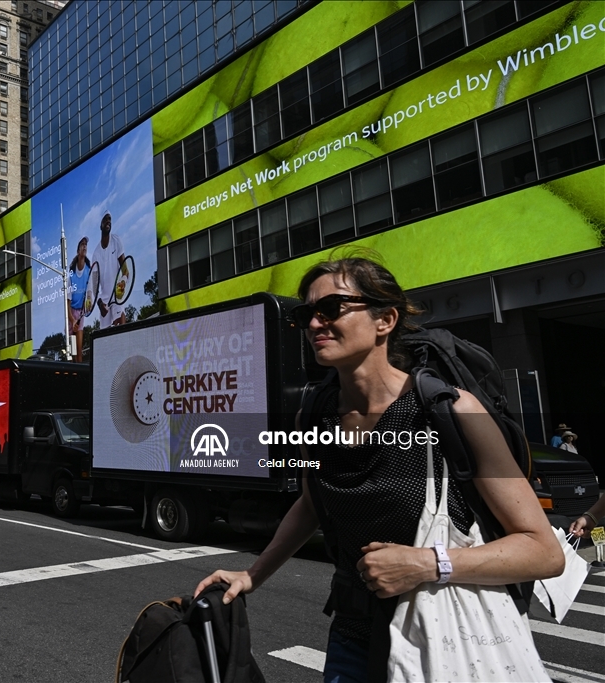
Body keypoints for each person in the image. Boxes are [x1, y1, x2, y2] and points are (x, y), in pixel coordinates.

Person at [195, 252, 564, 682]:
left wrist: (428, 563)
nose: (314, 324)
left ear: (384, 320)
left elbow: (543, 551)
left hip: (443, 636)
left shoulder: (451, 410)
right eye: (307, 313)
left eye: (330, 309)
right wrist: (252, 575)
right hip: (352, 639)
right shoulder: (313, 415)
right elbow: (311, 504)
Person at [90, 212, 126, 329]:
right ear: (100, 225)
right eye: (105, 219)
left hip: (117, 295)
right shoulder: (96, 254)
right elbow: (94, 286)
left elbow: (125, 270)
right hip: (104, 301)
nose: (108, 221)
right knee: (107, 342)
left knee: (120, 331)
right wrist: (100, 304)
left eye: (110, 219)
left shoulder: (116, 241)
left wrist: (123, 282)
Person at [68, 236, 91, 362]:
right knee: (72, 354)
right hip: (71, 314)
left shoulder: (89, 270)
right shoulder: (71, 273)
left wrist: (88, 303)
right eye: (82, 244)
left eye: (85, 245)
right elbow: (68, 301)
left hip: (80, 314)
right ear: (78, 251)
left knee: (79, 353)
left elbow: (90, 292)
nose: (84, 246)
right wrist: (72, 320)